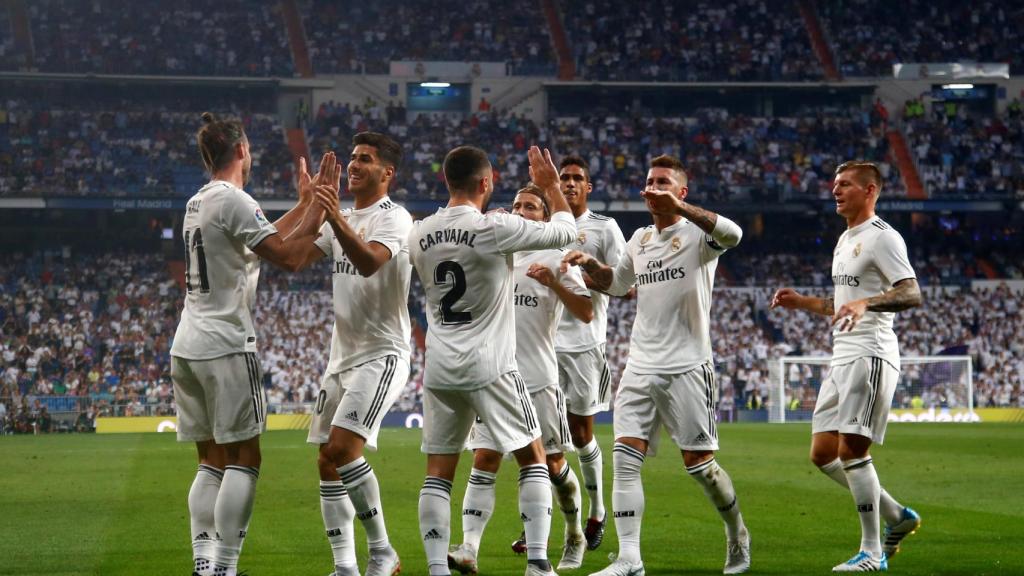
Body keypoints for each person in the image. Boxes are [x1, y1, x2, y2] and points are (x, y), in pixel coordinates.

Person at [563, 155, 751, 575]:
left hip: (688, 365)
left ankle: (737, 533)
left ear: (682, 192)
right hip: (640, 364)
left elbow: (735, 234)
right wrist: (591, 265)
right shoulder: (640, 239)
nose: (653, 187)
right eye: (649, 181)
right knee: (625, 458)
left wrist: (679, 209)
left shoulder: (698, 237)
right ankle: (630, 558)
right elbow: (619, 285)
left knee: (699, 466)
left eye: (663, 182)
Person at [170, 112, 339, 576]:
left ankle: (205, 565)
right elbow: (285, 254)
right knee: (245, 457)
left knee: (210, 460)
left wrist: (305, 205)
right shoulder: (236, 200)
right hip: (226, 343)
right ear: (242, 150)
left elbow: (262, 235)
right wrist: (321, 209)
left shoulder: (199, 201)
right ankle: (225, 566)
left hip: (187, 343)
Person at [408, 145, 576, 576]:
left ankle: (436, 568)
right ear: (487, 183)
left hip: (440, 368)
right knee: (533, 458)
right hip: (492, 365)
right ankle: (538, 563)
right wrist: (551, 188)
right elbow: (564, 232)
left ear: (446, 181)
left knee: (438, 473)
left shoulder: (419, 233)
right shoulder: (494, 227)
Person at [771, 160, 923, 572]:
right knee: (823, 454)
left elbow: (911, 293)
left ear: (870, 190)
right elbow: (842, 306)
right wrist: (803, 302)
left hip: (870, 354)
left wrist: (867, 303)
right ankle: (898, 516)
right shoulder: (845, 239)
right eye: (835, 184)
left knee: (852, 450)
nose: (836, 191)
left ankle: (872, 552)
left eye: (846, 185)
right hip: (841, 355)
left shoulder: (882, 238)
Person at [447, 185, 594, 574]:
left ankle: (575, 533)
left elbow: (586, 312)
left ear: (545, 218)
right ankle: (469, 548)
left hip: (538, 379)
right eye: (516, 205)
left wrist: (554, 283)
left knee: (553, 465)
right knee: (484, 458)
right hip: (495, 378)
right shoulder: (496, 253)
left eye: (530, 206)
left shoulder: (558, 256)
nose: (521, 211)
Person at [288, 132, 414, 576]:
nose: (354, 165)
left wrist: (333, 216)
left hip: (384, 354)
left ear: (387, 173)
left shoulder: (395, 218)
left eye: (365, 159)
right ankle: (345, 566)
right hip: (340, 357)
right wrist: (309, 206)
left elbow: (369, 261)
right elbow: (292, 259)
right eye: (352, 158)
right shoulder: (337, 216)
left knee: (343, 448)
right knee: (326, 458)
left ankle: (383, 551)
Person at [552, 155, 627, 551]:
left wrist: (585, 273)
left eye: (577, 178)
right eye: (563, 178)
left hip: (583, 344)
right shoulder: (545, 226)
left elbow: (626, 285)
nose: (569, 183)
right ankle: (550, 522)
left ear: (588, 187)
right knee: (545, 442)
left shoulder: (604, 228)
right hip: (542, 346)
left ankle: (598, 510)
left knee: (581, 435)